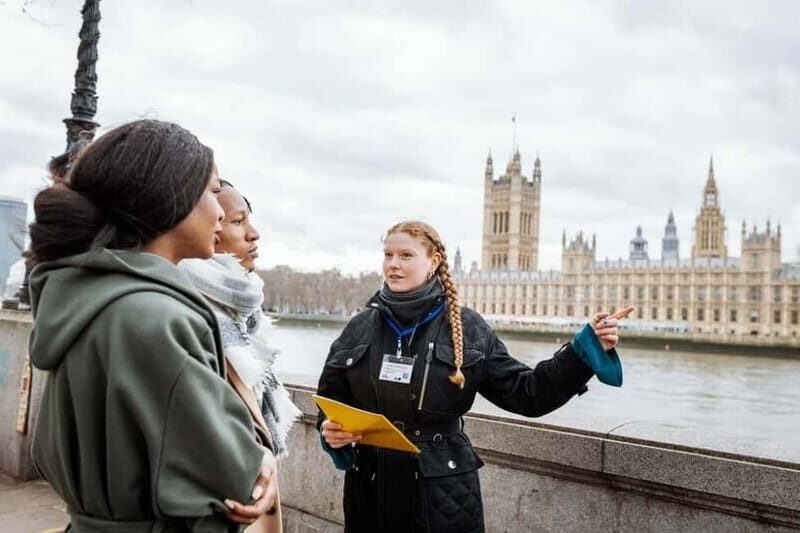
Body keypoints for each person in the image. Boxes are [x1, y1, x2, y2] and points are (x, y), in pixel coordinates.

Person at [28, 119, 279, 532]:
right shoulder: (157, 318)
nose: (220, 210)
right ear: (171, 196)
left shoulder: (84, 297)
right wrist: (260, 458)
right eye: (213, 192)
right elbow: (236, 479)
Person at [316, 220, 626, 533]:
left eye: (406, 256)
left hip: (441, 492)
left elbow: (528, 393)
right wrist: (330, 429)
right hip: (370, 488)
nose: (393, 265)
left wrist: (582, 352)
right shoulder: (361, 326)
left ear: (434, 262)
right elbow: (330, 399)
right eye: (388, 255)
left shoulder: (465, 327)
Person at [179, 181, 302, 530]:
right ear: (207, 225)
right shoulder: (184, 310)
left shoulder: (245, 312)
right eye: (237, 221)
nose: (254, 234)